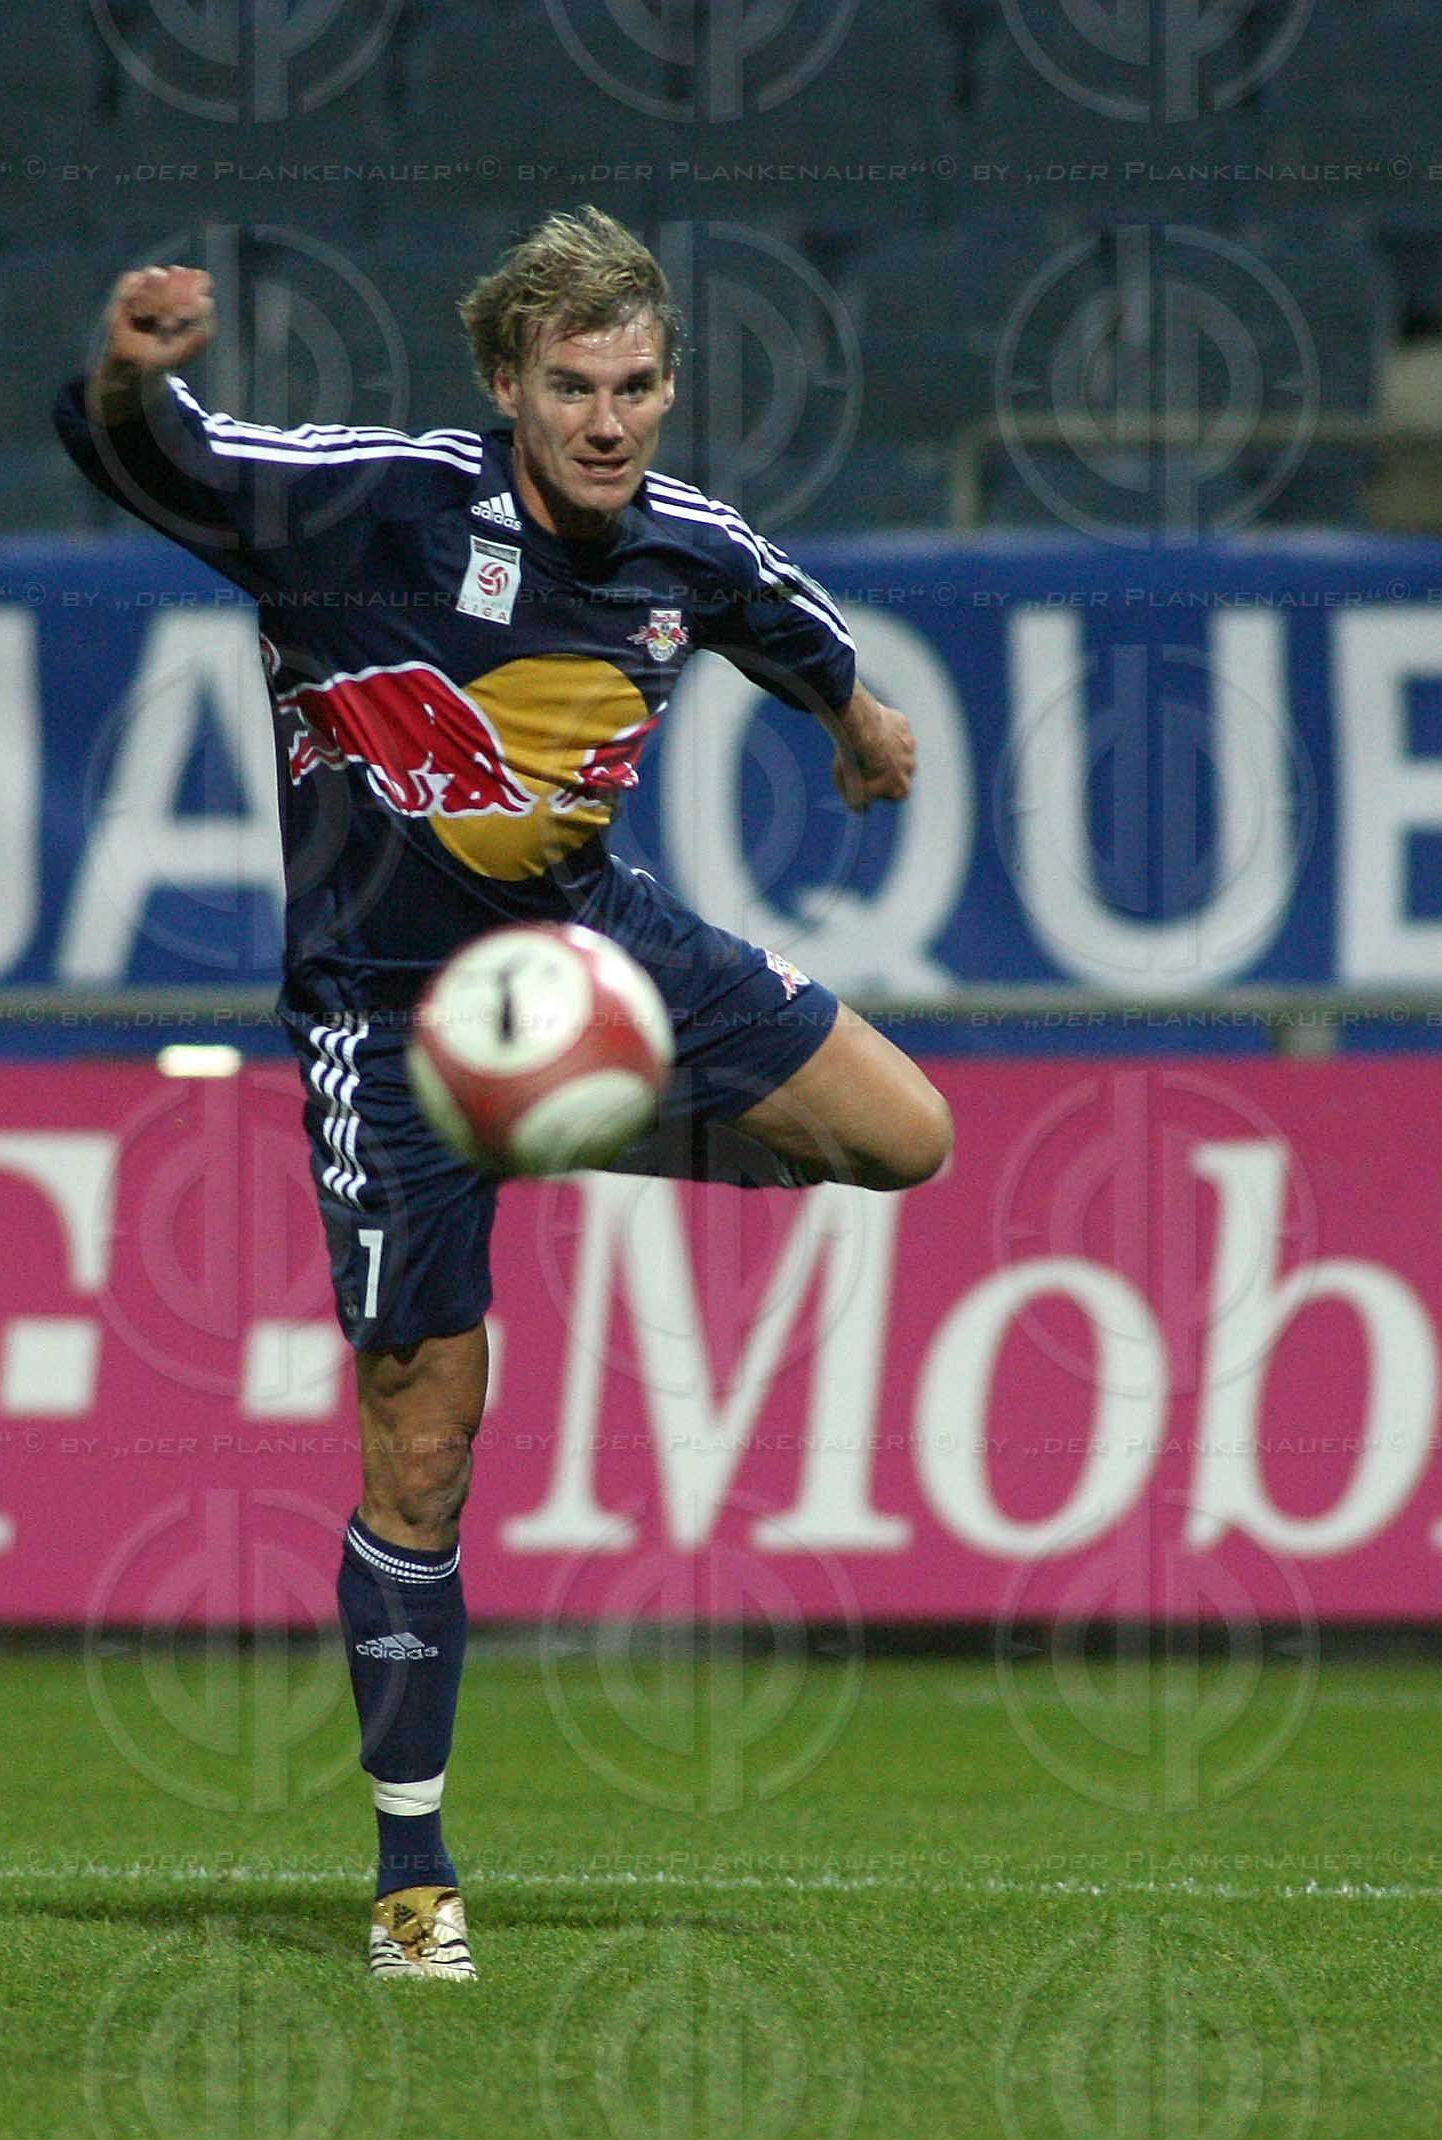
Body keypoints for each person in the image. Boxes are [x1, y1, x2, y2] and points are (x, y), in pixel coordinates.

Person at [54, 206, 952, 1980]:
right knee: (423, 1446)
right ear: (504, 387)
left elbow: (782, 613)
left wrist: (859, 721)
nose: (608, 422)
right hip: (383, 1024)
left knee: (901, 1135)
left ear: (666, 385)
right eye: (571, 387)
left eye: (635, 387)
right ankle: (412, 1874)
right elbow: (143, 442)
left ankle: (559, 1111)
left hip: (590, 952)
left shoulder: (677, 547)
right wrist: (130, 367)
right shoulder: (368, 501)